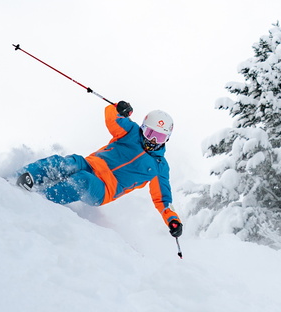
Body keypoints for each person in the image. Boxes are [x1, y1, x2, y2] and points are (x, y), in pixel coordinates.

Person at [16, 101, 183, 238]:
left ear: (167, 139)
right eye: (150, 133)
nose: (153, 140)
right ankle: (21, 176)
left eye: (159, 137)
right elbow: (112, 118)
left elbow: (163, 201)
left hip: (104, 189)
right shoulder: (131, 132)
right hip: (91, 163)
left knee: (82, 180)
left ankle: (42, 198)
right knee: (68, 163)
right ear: (143, 127)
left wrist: (172, 220)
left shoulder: (159, 167)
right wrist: (120, 108)